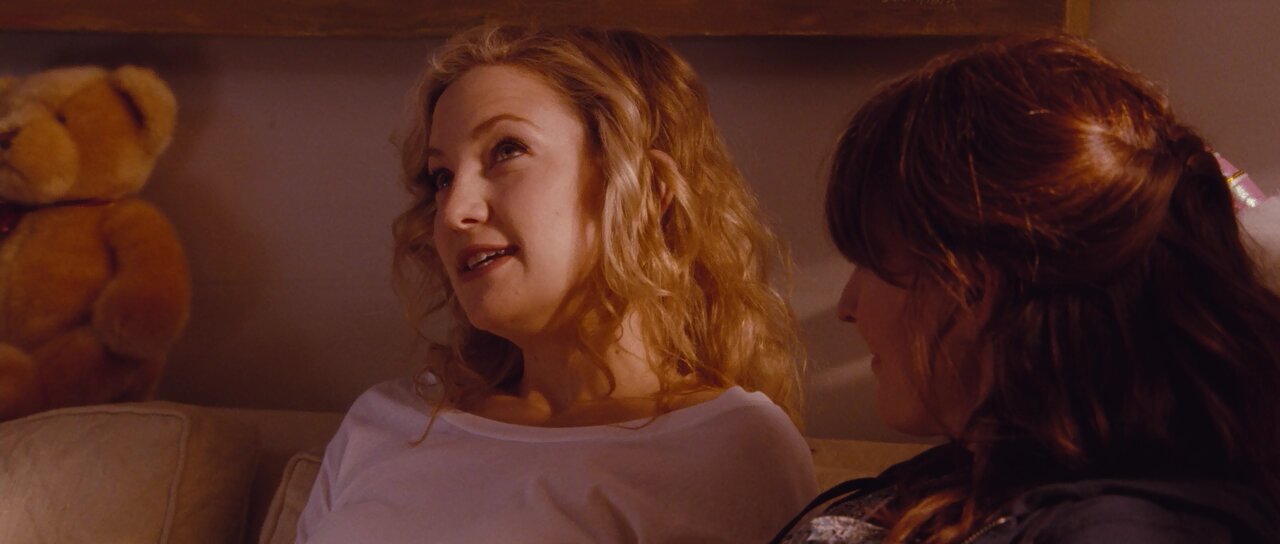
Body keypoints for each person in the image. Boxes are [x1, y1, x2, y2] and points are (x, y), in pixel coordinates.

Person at [296, 25, 817, 543]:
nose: (454, 211)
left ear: (644, 190)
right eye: (443, 177)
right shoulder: (383, 422)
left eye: (507, 150)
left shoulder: (730, 448)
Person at [777, 35, 1280, 543]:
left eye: (869, 262)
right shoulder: (973, 479)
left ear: (973, 288)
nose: (847, 307)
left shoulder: (1122, 532)